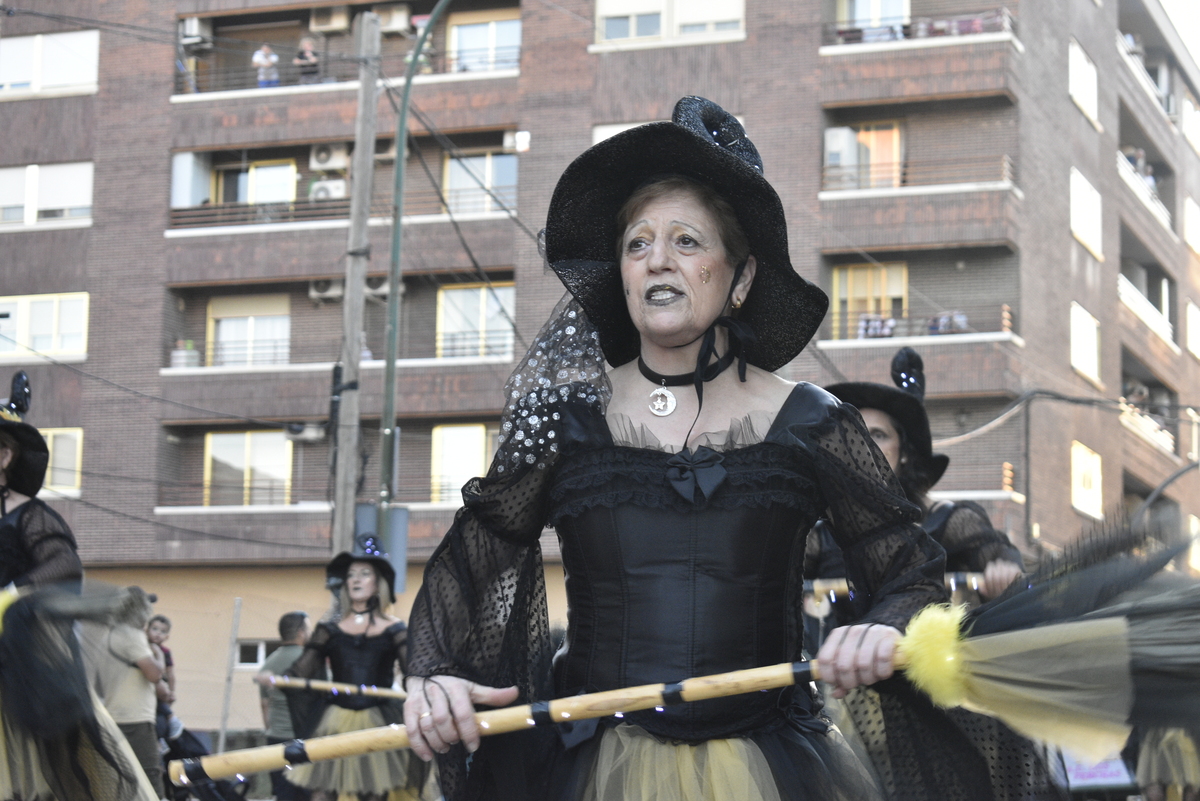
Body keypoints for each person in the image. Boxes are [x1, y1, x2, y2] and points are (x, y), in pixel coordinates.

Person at [401, 96, 948, 801]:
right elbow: (472, 559)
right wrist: (432, 669)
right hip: (589, 768)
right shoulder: (568, 423)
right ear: (622, 273)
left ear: (741, 277)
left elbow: (912, 568)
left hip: (775, 769)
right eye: (638, 243)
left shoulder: (810, 420)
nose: (658, 259)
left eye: (687, 241)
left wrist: (881, 625)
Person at [805, 347, 1067, 801]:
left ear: (905, 453)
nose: (862, 449)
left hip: (934, 707)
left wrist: (1004, 570)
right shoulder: (819, 531)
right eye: (852, 438)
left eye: (878, 436)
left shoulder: (948, 519)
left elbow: (995, 553)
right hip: (842, 708)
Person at [0, 372, 156, 801]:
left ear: (5, 456)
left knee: (54, 773)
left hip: (21, 660)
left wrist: (11, 594)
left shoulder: (28, 514)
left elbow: (63, 563)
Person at [283, 536, 434, 801]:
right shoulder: (328, 629)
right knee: (322, 793)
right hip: (334, 721)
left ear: (378, 584)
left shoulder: (395, 629)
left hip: (381, 717)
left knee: (375, 793)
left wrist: (428, 687)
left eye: (365, 574)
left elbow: (414, 672)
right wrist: (284, 679)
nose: (355, 579)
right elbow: (303, 669)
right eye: (351, 575)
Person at [81, 586, 169, 799]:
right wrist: (158, 655)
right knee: (150, 778)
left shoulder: (109, 635)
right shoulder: (132, 636)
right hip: (135, 720)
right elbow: (154, 674)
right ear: (140, 610)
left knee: (121, 781)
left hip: (113, 718)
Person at [256, 611, 314, 801]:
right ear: (301, 632)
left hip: (276, 738)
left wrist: (272, 730)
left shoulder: (269, 663)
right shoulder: (310, 660)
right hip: (305, 738)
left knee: (283, 793)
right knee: (308, 793)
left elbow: (265, 705)